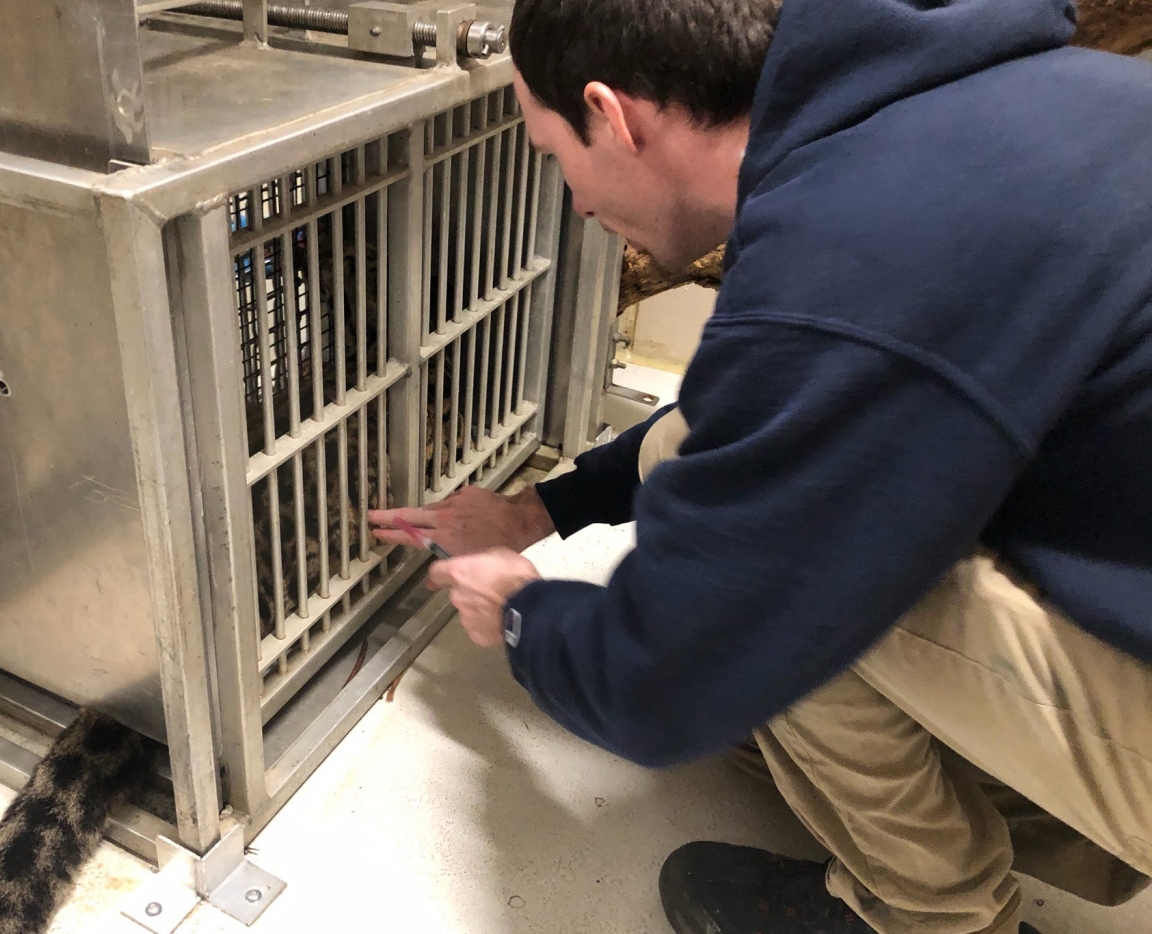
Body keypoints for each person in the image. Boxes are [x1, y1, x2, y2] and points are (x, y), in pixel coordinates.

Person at [369, 0, 1152, 931]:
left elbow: (667, 675)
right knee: (689, 467)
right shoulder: (1002, 104)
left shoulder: (857, 252)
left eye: (555, 156)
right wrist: (542, 510)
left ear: (613, 115)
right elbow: (755, 420)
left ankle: (926, 915)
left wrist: (520, 610)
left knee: (791, 601)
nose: (574, 203)